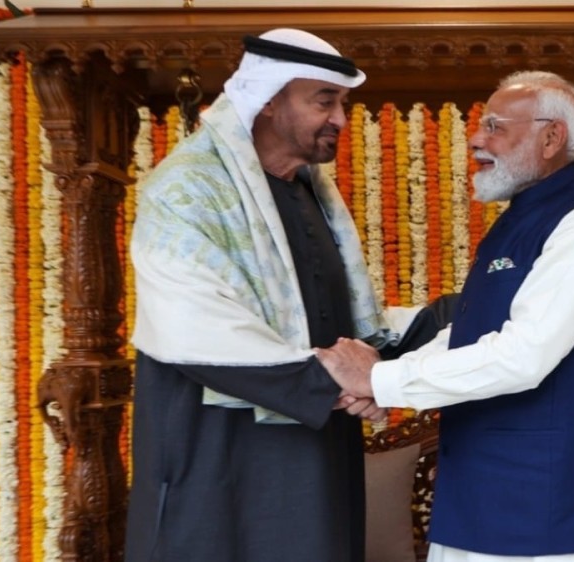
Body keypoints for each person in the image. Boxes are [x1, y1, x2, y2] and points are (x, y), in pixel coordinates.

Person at [320, 71, 574, 562]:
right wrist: (380, 378)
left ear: (552, 137)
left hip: (551, 505)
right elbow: (470, 335)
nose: (475, 139)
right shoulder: (516, 221)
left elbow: (523, 356)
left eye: (494, 126)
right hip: (478, 491)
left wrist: (380, 380)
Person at [125, 28, 391, 562]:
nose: (341, 119)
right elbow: (192, 326)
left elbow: (333, 316)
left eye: (341, 103)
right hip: (218, 457)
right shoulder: (185, 190)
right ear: (269, 100)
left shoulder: (308, 191)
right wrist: (341, 379)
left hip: (316, 448)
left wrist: (372, 368)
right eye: (325, 101)